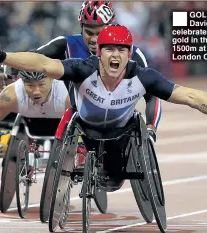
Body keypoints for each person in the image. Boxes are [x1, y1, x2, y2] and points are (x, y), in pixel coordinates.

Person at [0, 24, 207, 190]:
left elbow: (192, 97)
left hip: (120, 136)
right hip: (84, 134)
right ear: (99, 53)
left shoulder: (143, 76)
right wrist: (3, 57)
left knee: (114, 180)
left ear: (130, 54)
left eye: (122, 50)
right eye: (109, 50)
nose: (115, 55)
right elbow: (42, 63)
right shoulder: (82, 69)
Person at [35, 1, 161, 143]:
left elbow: (153, 94)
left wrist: (151, 128)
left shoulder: (131, 52)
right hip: (80, 119)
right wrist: (9, 63)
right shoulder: (66, 44)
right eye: (89, 33)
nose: (94, 39)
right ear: (81, 28)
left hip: (121, 123)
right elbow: (34, 58)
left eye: (100, 33)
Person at [0, 69, 71, 182]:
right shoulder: (12, 93)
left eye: (41, 84)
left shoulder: (66, 93)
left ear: (52, 79)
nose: (36, 91)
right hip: (31, 122)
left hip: (62, 122)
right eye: (30, 85)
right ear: (22, 82)